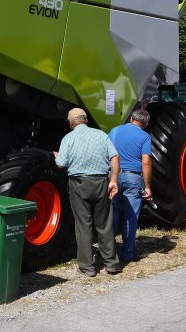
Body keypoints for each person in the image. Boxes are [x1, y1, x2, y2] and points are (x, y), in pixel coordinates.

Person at [55, 107, 121, 277]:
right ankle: (112, 264)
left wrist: (57, 156)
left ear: (71, 122)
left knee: (83, 225)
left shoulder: (68, 138)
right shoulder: (100, 135)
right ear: (85, 120)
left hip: (78, 183)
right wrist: (113, 180)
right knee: (104, 224)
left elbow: (61, 164)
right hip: (101, 182)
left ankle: (87, 267)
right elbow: (115, 157)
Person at [109, 109, 153, 262]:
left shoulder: (114, 131)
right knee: (131, 216)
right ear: (146, 124)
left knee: (113, 213)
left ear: (131, 118)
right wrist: (147, 186)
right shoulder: (145, 136)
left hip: (112, 175)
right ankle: (127, 253)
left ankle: (109, 252)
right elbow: (146, 162)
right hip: (133, 178)